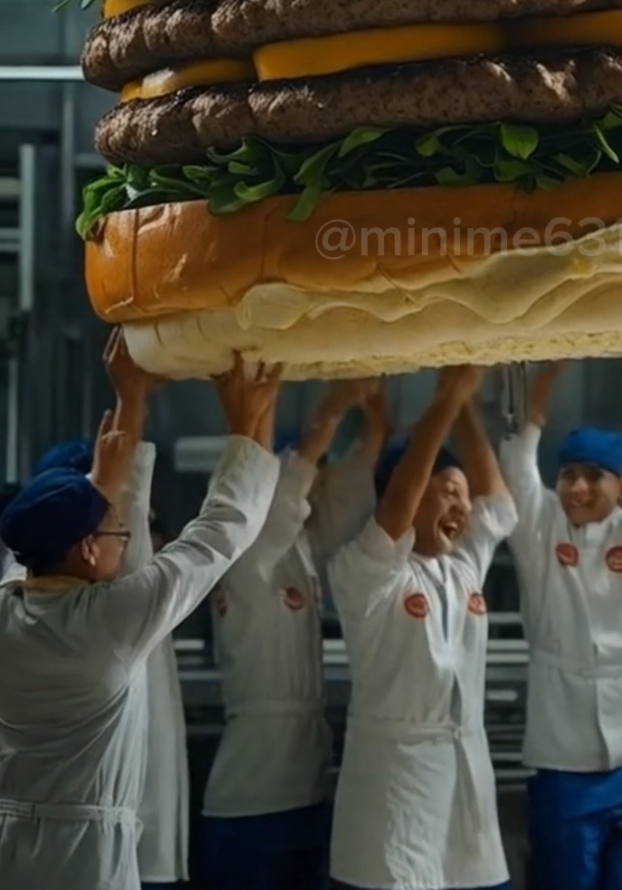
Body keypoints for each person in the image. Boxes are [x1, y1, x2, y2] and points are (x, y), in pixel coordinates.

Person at [0, 350, 283, 890]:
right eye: (117, 535)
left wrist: (131, 405)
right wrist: (245, 426)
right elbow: (218, 533)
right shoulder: (109, 624)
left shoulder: (9, 607)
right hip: (86, 861)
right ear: (86, 549)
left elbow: (95, 523)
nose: (127, 543)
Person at [499, 359, 622, 890]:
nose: (578, 488)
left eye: (593, 476)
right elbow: (516, 461)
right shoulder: (540, 529)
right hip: (564, 766)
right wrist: (550, 371)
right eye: (568, 475)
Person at [327, 365, 517, 890]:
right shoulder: (365, 573)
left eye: (462, 493)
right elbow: (395, 508)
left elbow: (499, 506)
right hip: (395, 786)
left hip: (464, 777)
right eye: (447, 492)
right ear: (409, 499)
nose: (462, 505)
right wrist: (443, 407)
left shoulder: (462, 568)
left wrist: (465, 409)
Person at [202, 378, 386, 890]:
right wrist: (331, 407)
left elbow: (345, 489)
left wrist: (374, 424)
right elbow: (291, 482)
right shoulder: (245, 551)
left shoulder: (301, 550)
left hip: (303, 786)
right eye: (304, 479)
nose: (316, 488)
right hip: (252, 799)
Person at [30, 334, 190, 890]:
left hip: (116, 831)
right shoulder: (96, 600)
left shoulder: (42, 589)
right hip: (90, 839)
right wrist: (133, 396)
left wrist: (133, 397)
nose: (125, 531)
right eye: (111, 518)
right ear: (83, 539)